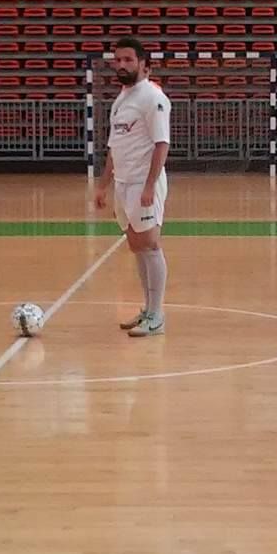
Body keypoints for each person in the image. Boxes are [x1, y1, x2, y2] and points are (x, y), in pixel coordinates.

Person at [95, 37, 171, 337]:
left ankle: (157, 316)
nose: (122, 65)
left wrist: (150, 185)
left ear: (143, 64)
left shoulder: (153, 98)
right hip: (123, 184)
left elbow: (162, 144)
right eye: (118, 60)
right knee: (136, 246)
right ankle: (148, 310)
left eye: (128, 59)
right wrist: (103, 185)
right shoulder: (122, 99)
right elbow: (114, 146)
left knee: (150, 244)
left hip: (143, 182)